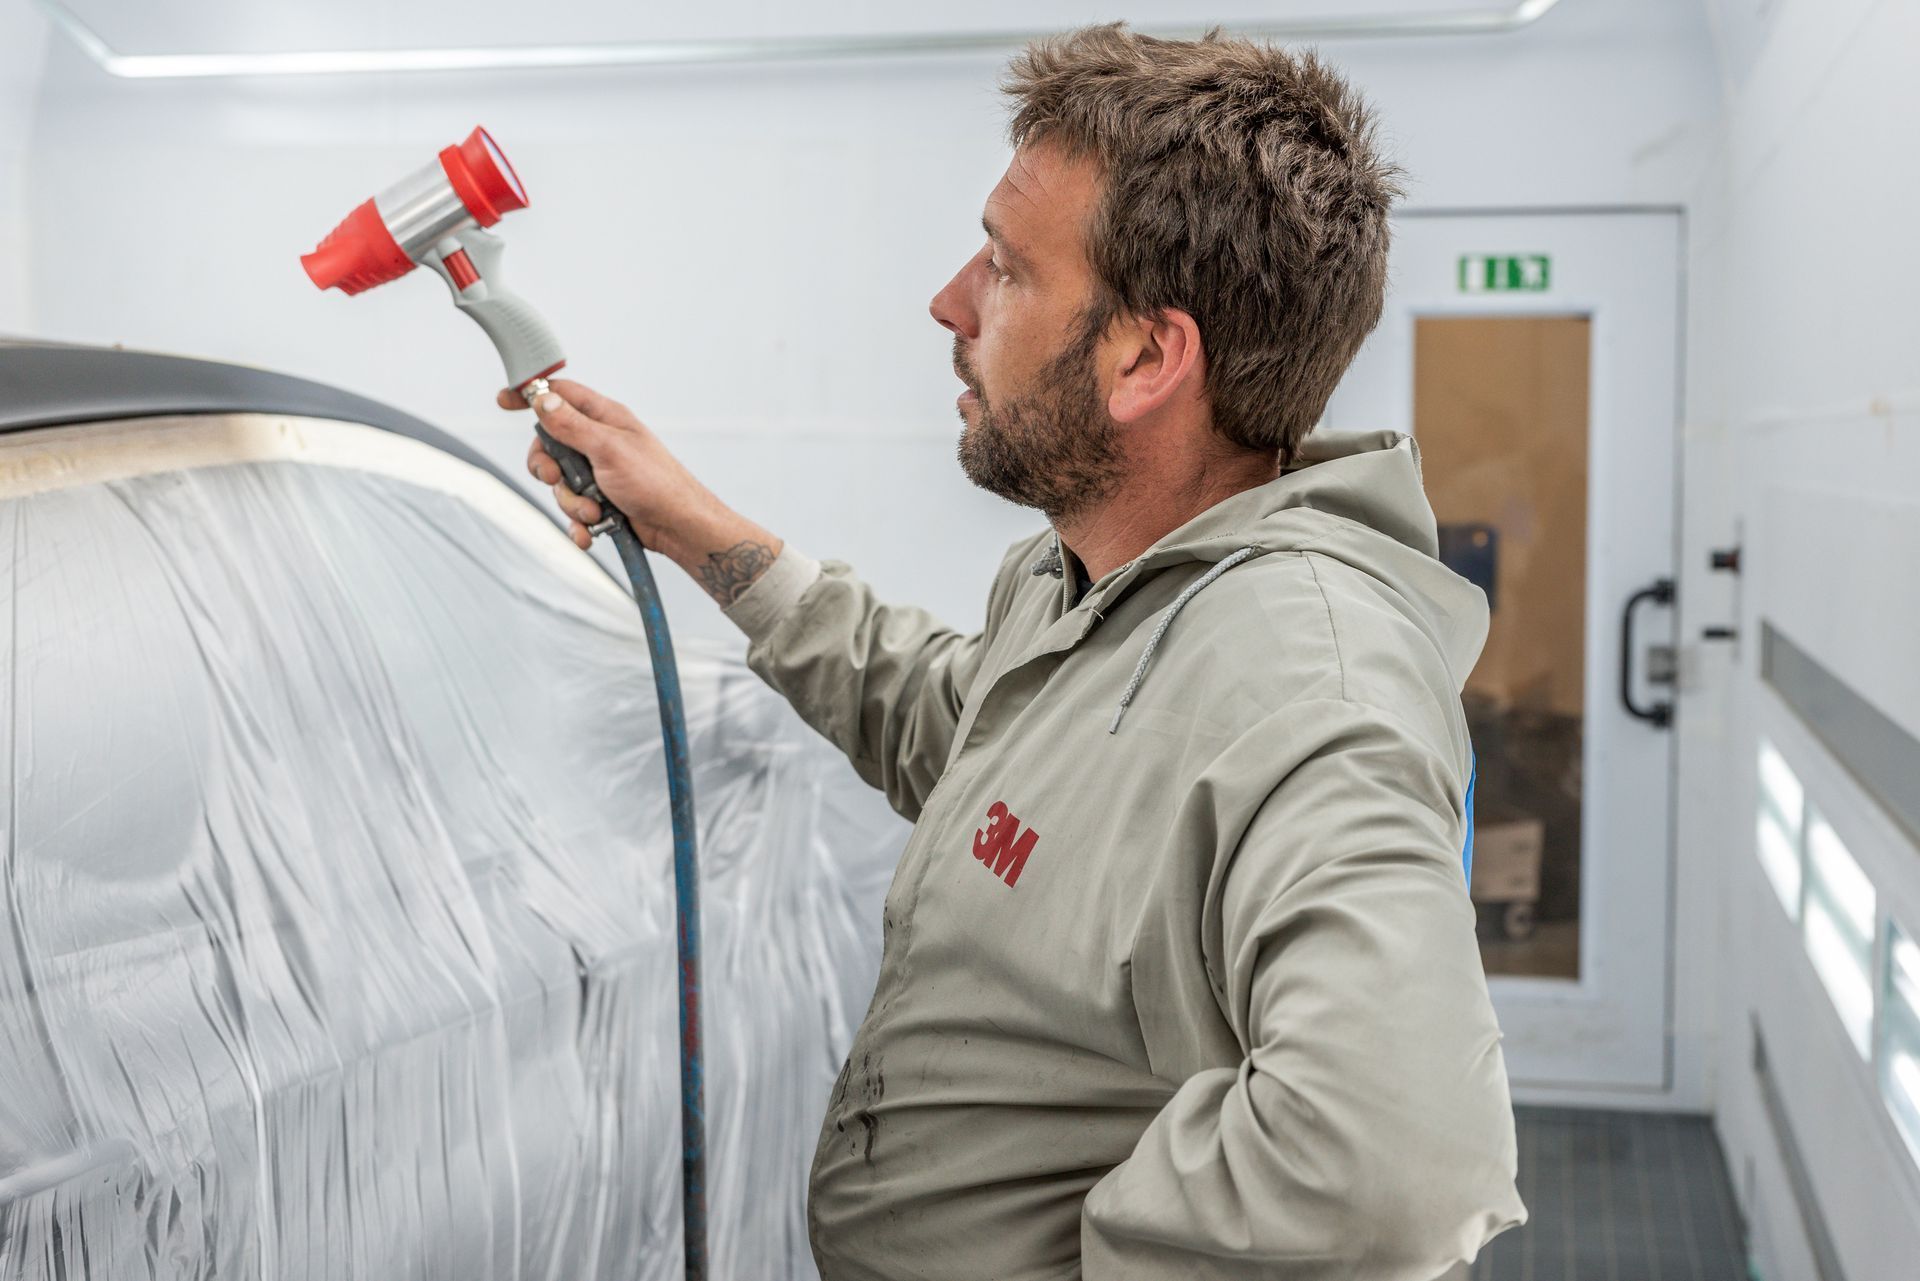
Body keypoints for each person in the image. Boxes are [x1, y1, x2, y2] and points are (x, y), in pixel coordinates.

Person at [505, 23, 1525, 1280]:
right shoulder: (1083, 581)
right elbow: (962, 729)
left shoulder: (1306, 686)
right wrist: (696, 529)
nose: (951, 302)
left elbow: (1400, 1172)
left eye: (1004, 266)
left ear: (1145, 357)